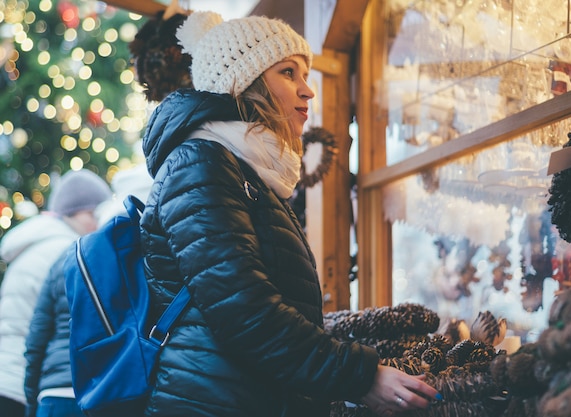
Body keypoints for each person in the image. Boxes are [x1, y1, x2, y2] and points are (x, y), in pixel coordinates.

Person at [139, 10, 441, 417]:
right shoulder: (200, 164)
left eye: (305, 75)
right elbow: (244, 310)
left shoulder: (252, 173)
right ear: (244, 82)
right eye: (288, 73)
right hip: (213, 403)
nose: (307, 90)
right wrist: (360, 377)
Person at [23, 166, 153, 417]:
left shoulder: (64, 259)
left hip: (54, 394)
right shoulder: (132, 255)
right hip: (106, 389)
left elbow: (36, 341)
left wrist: (32, 400)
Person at [0, 169, 111, 417]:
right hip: (29, 384)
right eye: (93, 213)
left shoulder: (31, 246)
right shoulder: (66, 253)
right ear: (73, 212)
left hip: (5, 375)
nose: (97, 223)